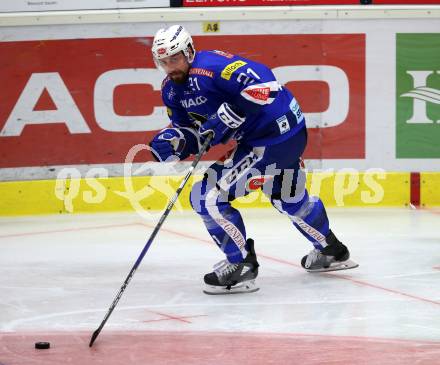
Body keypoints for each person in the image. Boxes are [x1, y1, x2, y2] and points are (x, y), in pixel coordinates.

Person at [149, 25, 358, 295]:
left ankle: (241, 265)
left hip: (273, 136)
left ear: (189, 51)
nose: (170, 67)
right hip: (280, 138)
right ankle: (332, 251)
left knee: (207, 196)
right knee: (288, 197)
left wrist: (231, 113)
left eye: (174, 58)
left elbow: (266, 84)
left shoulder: (213, 67)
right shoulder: (171, 90)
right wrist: (175, 140)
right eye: (163, 62)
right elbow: (192, 130)